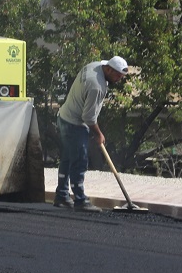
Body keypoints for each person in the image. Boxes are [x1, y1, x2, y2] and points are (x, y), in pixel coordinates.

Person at [54, 55, 128, 209]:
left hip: (64, 116)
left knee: (67, 158)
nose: (119, 79)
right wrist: (98, 134)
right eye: (117, 75)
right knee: (79, 161)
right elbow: (88, 117)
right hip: (75, 124)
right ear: (109, 69)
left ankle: (61, 196)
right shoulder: (96, 86)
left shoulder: (94, 66)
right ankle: (80, 200)